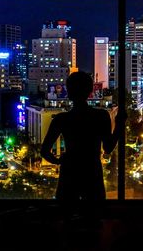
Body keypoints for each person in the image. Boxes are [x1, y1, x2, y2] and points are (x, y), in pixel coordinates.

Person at [40, 71, 126, 201]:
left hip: (70, 173)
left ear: (68, 92)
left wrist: (60, 161)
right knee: (93, 216)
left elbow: (44, 151)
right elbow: (108, 148)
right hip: (92, 171)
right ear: (90, 90)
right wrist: (119, 125)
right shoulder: (101, 116)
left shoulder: (61, 119)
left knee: (68, 215)